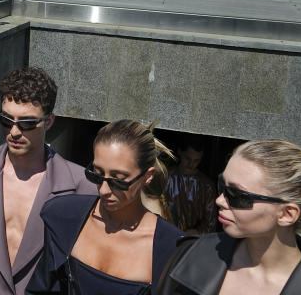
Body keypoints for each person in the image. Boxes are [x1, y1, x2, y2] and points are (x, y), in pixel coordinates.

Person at [0, 67, 98, 295]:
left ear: (49, 121)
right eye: (6, 120)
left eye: (27, 123)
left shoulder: (84, 187)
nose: (14, 131)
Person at [157, 139, 301, 294]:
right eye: (222, 186)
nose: (220, 201)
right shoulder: (191, 254)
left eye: (237, 195)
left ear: (287, 214)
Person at [27, 119, 185, 294]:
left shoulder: (171, 247)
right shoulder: (64, 217)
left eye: (118, 179)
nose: (103, 190)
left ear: (147, 176)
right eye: (97, 174)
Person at [164, 138, 218, 235]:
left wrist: (196, 232)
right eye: (188, 158)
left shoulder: (207, 185)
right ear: (180, 152)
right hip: (166, 233)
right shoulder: (165, 177)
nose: (191, 164)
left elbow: (211, 221)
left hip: (193, 240)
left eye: (196, 161)